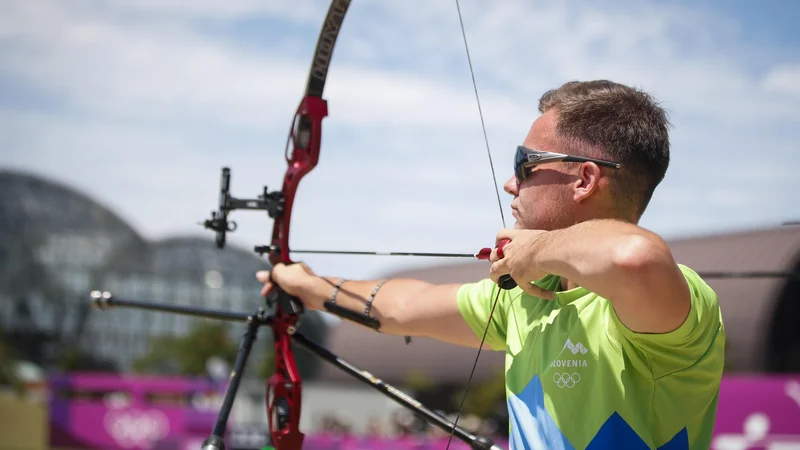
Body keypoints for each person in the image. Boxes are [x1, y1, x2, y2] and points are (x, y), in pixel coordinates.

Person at [256, 80, 725, 450]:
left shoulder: (675, 304)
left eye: (525, 164)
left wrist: (532, 249)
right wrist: (306, 285)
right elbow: (405, 305)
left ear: (584, 179)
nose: (509, 183)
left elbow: (633, 257)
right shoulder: (527, 298)